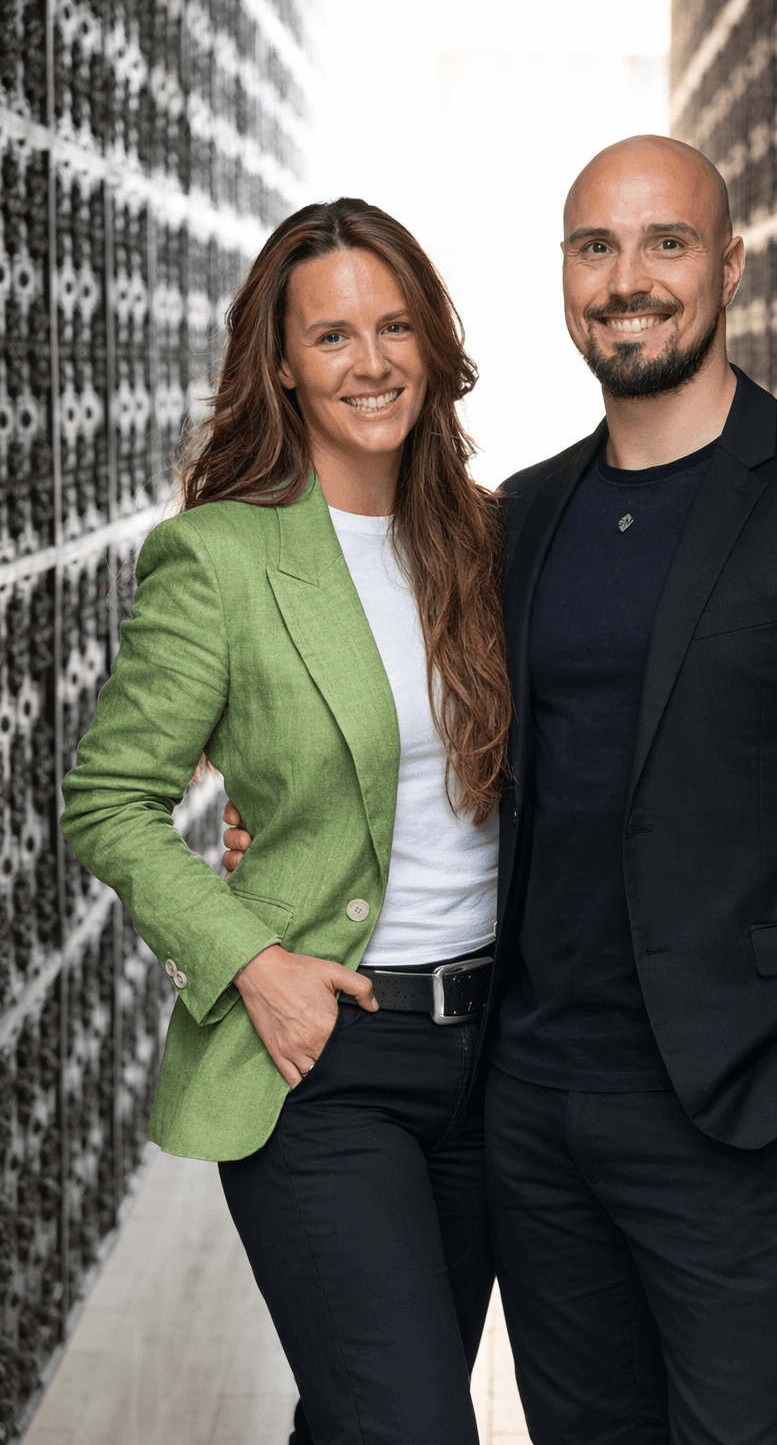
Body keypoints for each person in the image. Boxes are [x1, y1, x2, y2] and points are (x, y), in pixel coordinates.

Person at [223, 137, 777, 1444]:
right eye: (596, 247)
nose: (629, 278)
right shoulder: (519, 518)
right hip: (533, 1104)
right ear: (566, 277)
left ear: (729, 262)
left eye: (666, 242)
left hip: (743, 1109)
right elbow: (450, 748)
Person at [60, 198, 512, 1445]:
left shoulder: (490, 539)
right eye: (331, 337)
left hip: (497, 1053)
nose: (370, 363)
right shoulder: (217, 559)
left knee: (365, 1411)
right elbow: (107, 798)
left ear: (432, 342)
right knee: (415, 1424)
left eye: (395, 326)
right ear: (281, 365)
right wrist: (255, 962)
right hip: (328, 1056)